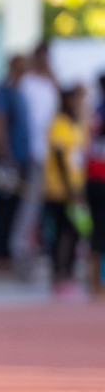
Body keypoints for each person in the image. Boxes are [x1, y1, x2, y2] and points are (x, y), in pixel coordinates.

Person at [0, 54, 31, 273]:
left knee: (14, 208)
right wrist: (5, 156)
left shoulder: (20, 92)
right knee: (3, 207)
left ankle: (5, 252)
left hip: (21, 159)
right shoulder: (4, 91)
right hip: (9, 161)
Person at [16, 43, 60, 269]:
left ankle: (38, 251)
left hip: (51, 155)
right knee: (29, 205)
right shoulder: (28, 84)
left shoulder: (50, 83)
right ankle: (21, 252)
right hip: (34, 152)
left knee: (47, 207)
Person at [43, 83, 87, 297]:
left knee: (74, 232)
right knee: (61, 232)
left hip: (74, 188)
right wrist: (69, 187)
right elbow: (59, 156)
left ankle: (68, 273)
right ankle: (59, 274)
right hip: (59, 189)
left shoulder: (75, 124)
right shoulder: (59, 124)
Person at [85, 74, 105, 298]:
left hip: (93, 178)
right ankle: (95, 282)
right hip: (99, 178)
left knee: (97, 231)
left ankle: (95, 281)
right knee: (99, 232)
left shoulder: (95, 112)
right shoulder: (98, 112)